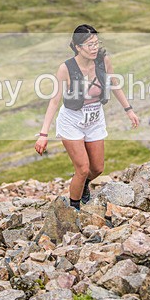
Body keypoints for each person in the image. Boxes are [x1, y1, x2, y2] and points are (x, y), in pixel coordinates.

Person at [34, 25, 140, 210]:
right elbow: (54, 101)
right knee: (82, 169)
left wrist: (129, 110)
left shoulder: (103, 61)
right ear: (77, 47)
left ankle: (82, 184)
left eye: (96, 43)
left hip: (95, 119)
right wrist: (43, 134)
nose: (94, 48)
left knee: (97, 168)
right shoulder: (66, 68)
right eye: (90, 44)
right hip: (72, 121)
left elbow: (114, 84)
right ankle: (73, 210)